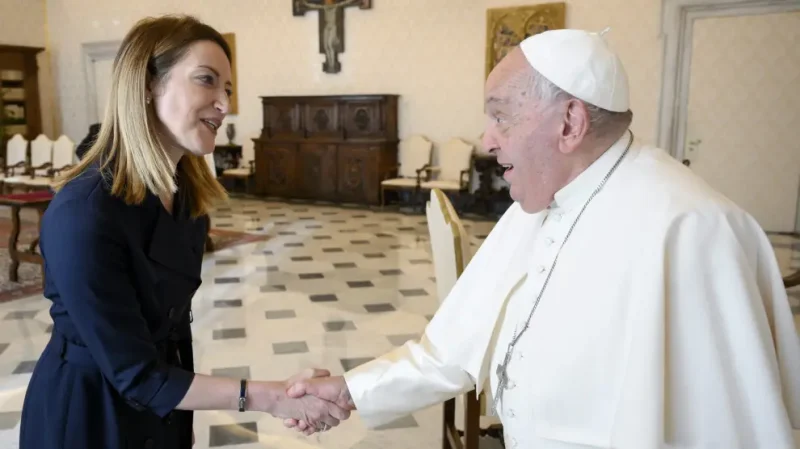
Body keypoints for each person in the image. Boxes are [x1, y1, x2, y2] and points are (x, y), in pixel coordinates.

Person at [283, 28, 800, 448]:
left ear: (570, 122)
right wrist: (350, 390)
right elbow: (451, 351)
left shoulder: (692, 229)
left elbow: (729, 427)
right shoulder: (542, 200)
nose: (487, 138)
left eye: (500, 115)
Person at [19, 15, 348, 449]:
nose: (223, 103)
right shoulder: (84, 212)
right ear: (147, 85)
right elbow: (133, 372)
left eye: (227, 89)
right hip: (90, 416)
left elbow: (171, 328)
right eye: (206, 81)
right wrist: (272, 397)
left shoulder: (186, 196)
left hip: (165, 408)